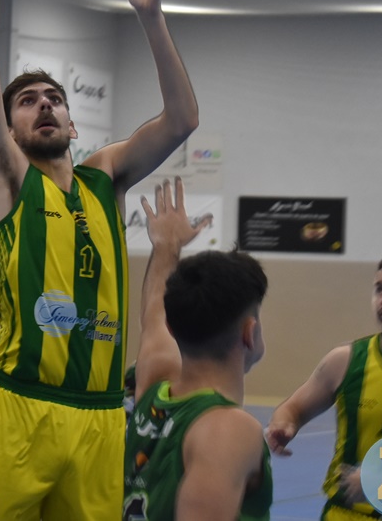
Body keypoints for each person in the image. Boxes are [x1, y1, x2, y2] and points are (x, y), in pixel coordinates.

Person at [0, 0, 199, 520]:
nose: (44, 105)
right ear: (9, 131)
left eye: (54, 98)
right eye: (27, 101)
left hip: (100, 418)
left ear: (71, 121)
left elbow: (182, 120)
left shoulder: (103, 179)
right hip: (19, 409)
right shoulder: (7, 179)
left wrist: (151, 17)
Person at [123, 177, 271, 520]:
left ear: (173, 329)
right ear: (249, 333)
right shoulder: (228, 430)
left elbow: (155, 316)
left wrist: (167, 247)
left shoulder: (154, 388)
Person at [266, 253, 382, 520]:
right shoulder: (345, 360)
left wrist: (378, 481)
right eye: (379, 289)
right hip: (349, 513)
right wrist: (284, 424)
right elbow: (293, 408)